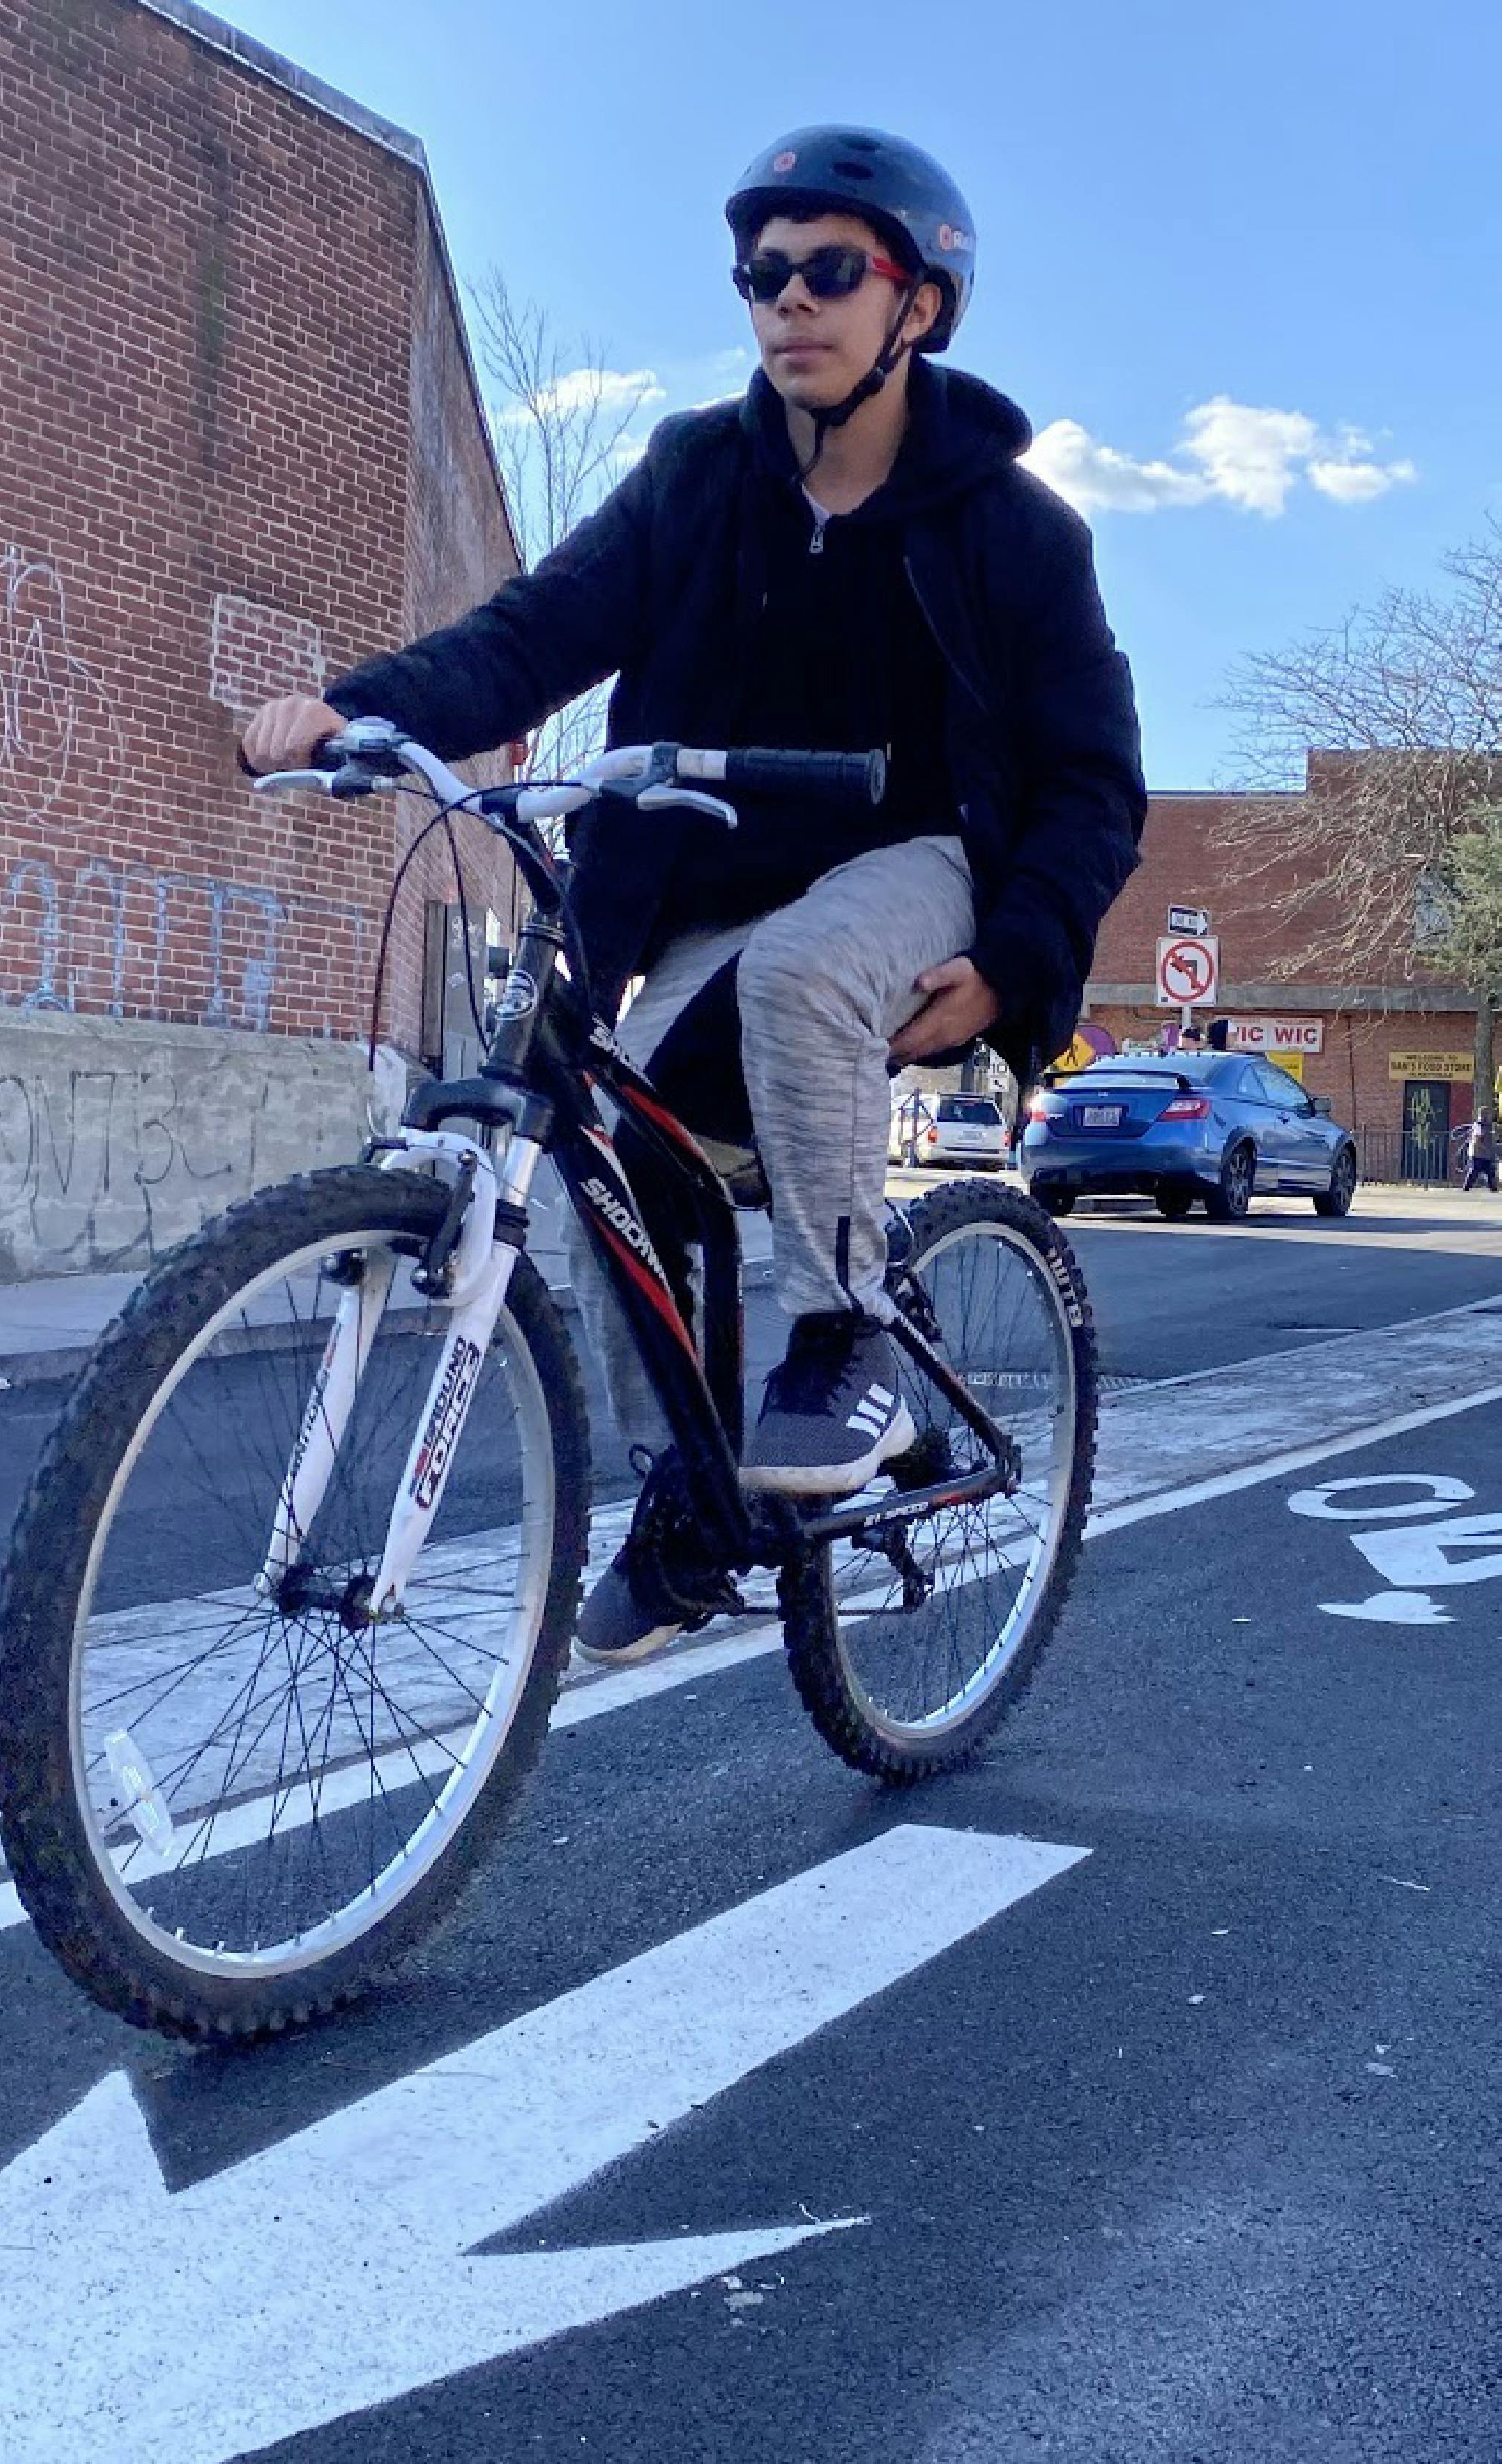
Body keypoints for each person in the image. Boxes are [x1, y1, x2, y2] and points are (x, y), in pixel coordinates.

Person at [238, 124, 1146, 1664]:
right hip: (710, 889)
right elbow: (536, 631)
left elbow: (1089, 780)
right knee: (601, 1148)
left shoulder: (1014, 527)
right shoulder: (693, 478)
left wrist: (1017, 955)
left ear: (917, 305)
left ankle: (846, 1334)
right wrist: (356, 707)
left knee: (804, 975)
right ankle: (693, 1501)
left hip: (927, 860)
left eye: (830, 270)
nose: (788, 301)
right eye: (761, 274)